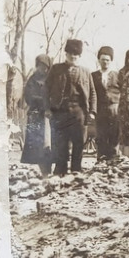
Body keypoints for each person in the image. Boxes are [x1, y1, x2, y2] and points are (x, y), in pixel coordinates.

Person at [44, 39, 97, 175]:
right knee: (61, 143)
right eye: (70, 54)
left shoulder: (86, 72)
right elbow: (45, 90)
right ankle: (60, 171)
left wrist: (92, 112)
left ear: (79, 56)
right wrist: (47, 108)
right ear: (65, 54)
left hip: (79, 112)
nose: (73, 57)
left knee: (79, 143)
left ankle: (76, 171)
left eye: (76, 55)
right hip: (60, 112)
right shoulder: (56, 69)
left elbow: (92, 93)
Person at [21, 54, 53, 176]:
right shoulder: (32, 80)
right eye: (40, 66)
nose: (42, 69)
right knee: (37, 145)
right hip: (36, 115)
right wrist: (43, 100)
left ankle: (49, 170)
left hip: (49, 115)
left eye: (45, 67)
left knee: (49, 144)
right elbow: (29, 97)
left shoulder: (51, 80)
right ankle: (43, 171)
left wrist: (48, 104)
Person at [91, 46, 120, 161]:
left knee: (114, 135)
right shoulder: (93, 75)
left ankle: (114, 159)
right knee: (101, 135)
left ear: (111, 61)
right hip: (100, 109)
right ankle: (101, 159)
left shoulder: (117, 76)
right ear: (99, 60)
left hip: (114, 109)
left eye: (107, 60)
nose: (105, 62)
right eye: (103, 59)